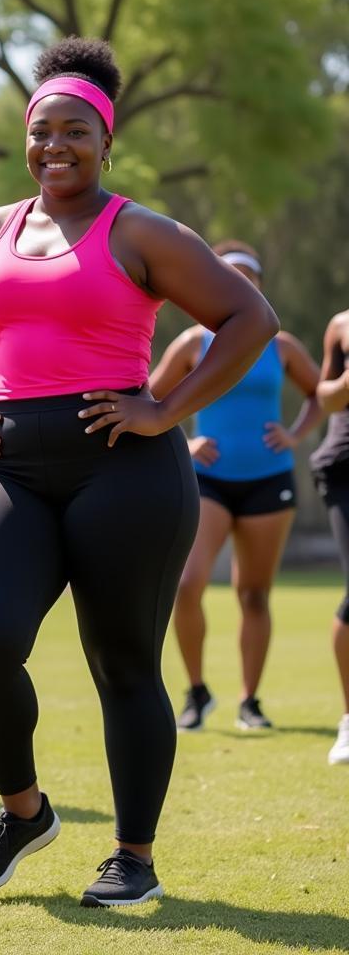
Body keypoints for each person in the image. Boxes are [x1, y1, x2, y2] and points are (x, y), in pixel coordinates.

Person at [0, 37, 278, 907]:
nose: (56, 148)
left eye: (75, 131)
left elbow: (249, 318)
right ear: (26, 138)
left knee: (123, 664)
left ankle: (133, 858)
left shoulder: (143, 231)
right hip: (10, 462)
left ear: (105, 141)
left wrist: (165, 408)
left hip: (124, 463)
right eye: (42, 132)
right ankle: (24, 811)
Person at [151, 241, 321, 732]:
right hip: (207, 481)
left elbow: (319, 394)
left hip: (269, 479)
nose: (241, 283)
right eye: (230, 275)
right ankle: (197, 693)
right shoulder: (191, 343)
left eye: (250, 277)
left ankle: (251, 702)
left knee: (253, 594)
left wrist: (295, 434)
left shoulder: (282, 345)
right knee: (186, 585)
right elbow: (147, 400)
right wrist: (184, 441)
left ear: (260, 286)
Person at [309, 310, 349, 765]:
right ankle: (348, 719)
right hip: (345, 470)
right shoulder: (339, 324)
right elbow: (324, 396)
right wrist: (343, 387)